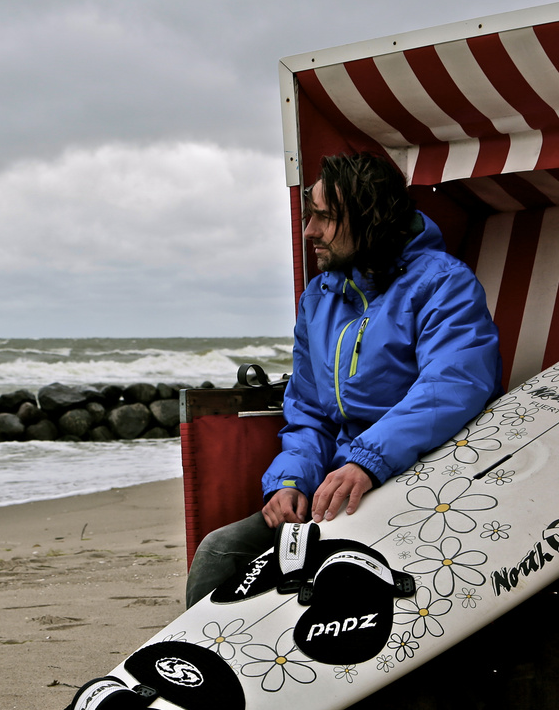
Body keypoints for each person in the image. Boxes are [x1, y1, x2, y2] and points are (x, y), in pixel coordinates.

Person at [185, 152, 504, 607]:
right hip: (345, 482)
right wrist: (289, 483)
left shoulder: (444, 284)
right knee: (221, 551)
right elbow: (310, 414)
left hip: (429, 478)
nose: (309, 232)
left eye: (326, 218)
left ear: (372, 220)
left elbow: (452, 387)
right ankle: (187, 673)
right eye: (310, 216)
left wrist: (367, 461)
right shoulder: (319, 298)